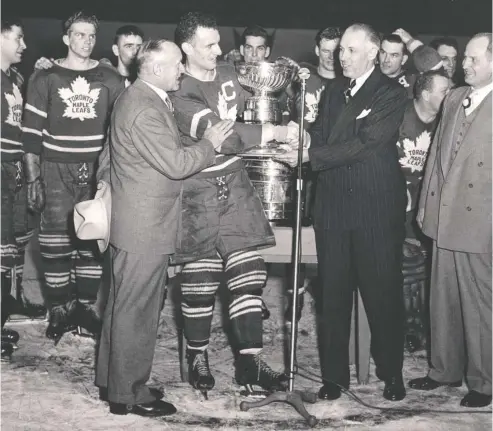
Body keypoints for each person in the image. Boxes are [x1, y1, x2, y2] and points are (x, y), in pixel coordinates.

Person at [94, 38, 233, 417]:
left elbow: (109, 153)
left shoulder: (139, 97)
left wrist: (107, 185)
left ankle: (114, 380)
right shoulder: (145, 106)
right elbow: (174, 164)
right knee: (137, 310)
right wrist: (209, 144)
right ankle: (128, 394)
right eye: (176, 64)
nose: (182, 70)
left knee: (123, 305)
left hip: (135, 220)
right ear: (157, 69)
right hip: (145, 226)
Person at [277, 23, 409, 401]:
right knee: (332, 296)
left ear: (373, 52)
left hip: (374, 209)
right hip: (333, 208)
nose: (342, 57)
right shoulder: (334, 90)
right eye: (340, 51)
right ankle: (334, 377)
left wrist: (310, 155)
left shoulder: (391, 92)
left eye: (351, 51)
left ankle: (391, 373)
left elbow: (365, 143)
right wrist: (302, 138)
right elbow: (324, 134)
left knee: (381, 294)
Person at [170, 11, 298, 397]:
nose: (219, 50)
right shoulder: (179, 89)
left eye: (218, 43)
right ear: (187, 48)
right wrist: (272, 131)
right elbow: (222, 138)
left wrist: (290, 76)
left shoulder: (229, 73)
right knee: (200, 281)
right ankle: (197, 355)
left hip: (238, 188)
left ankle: (250, 361)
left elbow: (261, 97)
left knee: (249, 273)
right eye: (209, 45)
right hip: (198, 191)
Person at [21, 11, 124, 344]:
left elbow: (120, 131)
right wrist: (34, 178)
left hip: (96, 168)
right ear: (66, 38)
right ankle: (61, 309)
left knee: (92, 239)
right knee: (54, 242)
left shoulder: (109, 77)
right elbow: (31, 134)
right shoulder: (44, 77)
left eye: (92, 35)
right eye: (79, 35)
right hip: (54, 166)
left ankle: (84, 308)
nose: (86, 41)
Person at [409, 33, 492, 408]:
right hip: (444, 214)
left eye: (474, 59)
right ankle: (444, 370)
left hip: (480, 219)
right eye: (466, 59)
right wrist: (426, 205)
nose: (465, 65)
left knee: (479, 304)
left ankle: (484, 382)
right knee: (442, 298)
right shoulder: (455, 97)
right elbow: (434, 158)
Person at [1, 16, 45, 360]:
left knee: (11, 246)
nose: (24, 45)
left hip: (12, 168)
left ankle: (4, 312)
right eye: (18, 38)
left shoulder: (14, 78)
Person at [396, 69, 450, 351]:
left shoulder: (446, 122)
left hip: (428, 207)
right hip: (394, 206)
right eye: (444, 90)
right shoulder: (398, 115)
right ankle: (409, 329)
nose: (449, 95)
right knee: (408, 265)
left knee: (429, 267)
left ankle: (424, 328)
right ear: (426, 94)